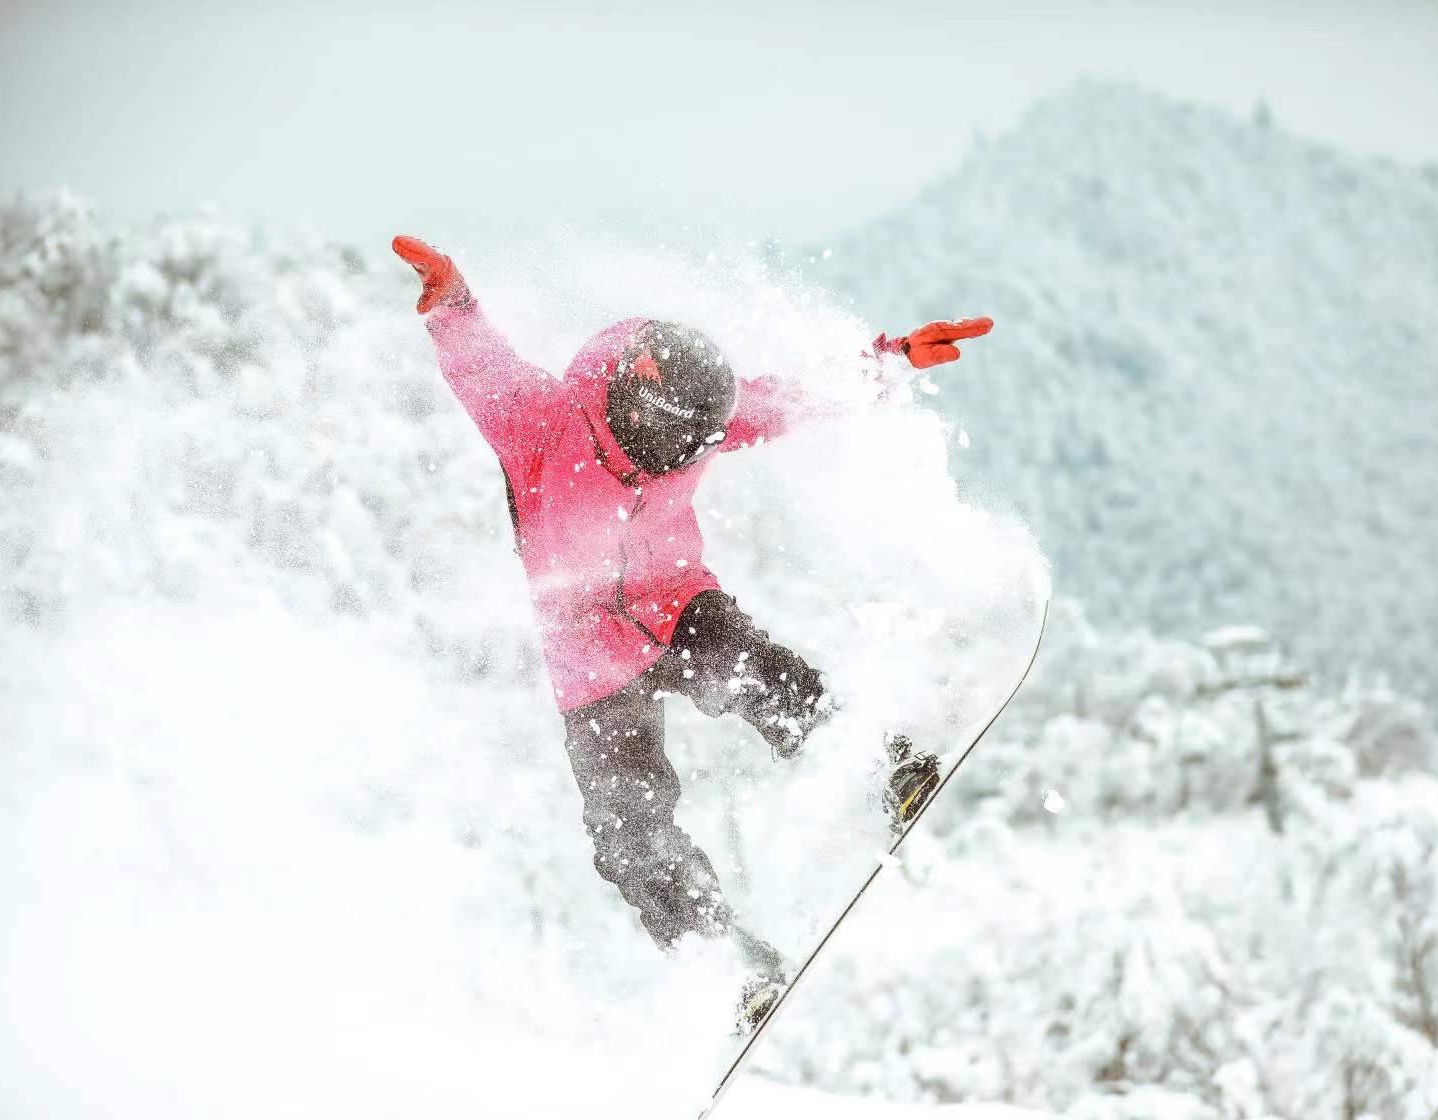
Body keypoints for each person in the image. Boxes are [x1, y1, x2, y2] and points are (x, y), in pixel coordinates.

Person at [392, 235, 992, 1027]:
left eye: (698, 449)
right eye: (676, 449)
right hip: (591, 666)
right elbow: (483, 369)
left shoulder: (699, 418)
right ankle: (731, 966)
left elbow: (788, 399)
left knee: (763, 675)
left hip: (676, 605)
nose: (684, 462)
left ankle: (888, 771)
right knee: (628, 837)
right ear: (636, 412)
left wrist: (893, 359)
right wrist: (452, 302)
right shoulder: (543, 425)